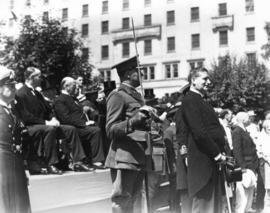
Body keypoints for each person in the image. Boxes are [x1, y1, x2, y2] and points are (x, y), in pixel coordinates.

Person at [15, 67, 92, 174]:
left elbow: (48, 109)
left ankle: (78, 161)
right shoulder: (21, 93)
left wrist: (53, 118)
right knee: (50, 129)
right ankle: (51, 164)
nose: (41, 78)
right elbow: (26, 117)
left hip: (45, 124)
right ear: (31, 78)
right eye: (39, 76)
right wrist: (47, 122)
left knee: (70, 129)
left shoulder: (37, 94)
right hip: (31, 126)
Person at [105, 56, 153, 213]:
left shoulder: (137, 96)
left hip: (139, 155)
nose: (143, 74)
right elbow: (110, 129)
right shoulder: (117, 95)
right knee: (122, 201)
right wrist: (132, 122)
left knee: (136, 200)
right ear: (127, 74)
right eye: (139, 71)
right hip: (124, 157)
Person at [181, 67, 227, 213]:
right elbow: (199, 133)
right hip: (203, 162)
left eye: (209, 78)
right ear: (193, 80)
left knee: (212, 207)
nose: (209, 82)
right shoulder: (190, 100)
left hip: (210, 161)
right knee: (204, 207)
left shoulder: (201, 100)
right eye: (205, 79)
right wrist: (217, 154)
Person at [54, 77, 105, 169]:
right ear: (66, 86)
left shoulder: (72, 98)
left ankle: (96, 159)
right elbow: (66, 118)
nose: (76, 87)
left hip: (79, 126)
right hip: (71, 128)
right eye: (74, 85)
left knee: (97, 127)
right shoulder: (60, 100)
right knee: (94, 131)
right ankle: (94, 160)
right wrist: (84, 124)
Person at [0, 66, 31, 213]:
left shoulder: (12, 111)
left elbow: (19, 141)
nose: (13, 88)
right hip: (2, 166)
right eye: (9, 85)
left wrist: (24, 168)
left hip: (16, 164)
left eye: (14, 85)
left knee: (20, 205)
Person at [232, 112, 259, 213]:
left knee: (250, 187)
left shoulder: (244, 130)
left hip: (251, 164)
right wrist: (242, 166)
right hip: (244, 165)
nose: (249, 120)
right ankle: (240, 210)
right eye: (248, 118)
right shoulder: (237, 131)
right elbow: (237, 150)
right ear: (243, 119)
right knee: (242, 190)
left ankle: (247, 209)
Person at [256, 119, 270, 213]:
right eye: (268, 128)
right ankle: (267, 206)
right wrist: (267, 158)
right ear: (264, 127)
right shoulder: (261, 136)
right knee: (267, 185)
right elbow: (258, 150)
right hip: (266, 163)